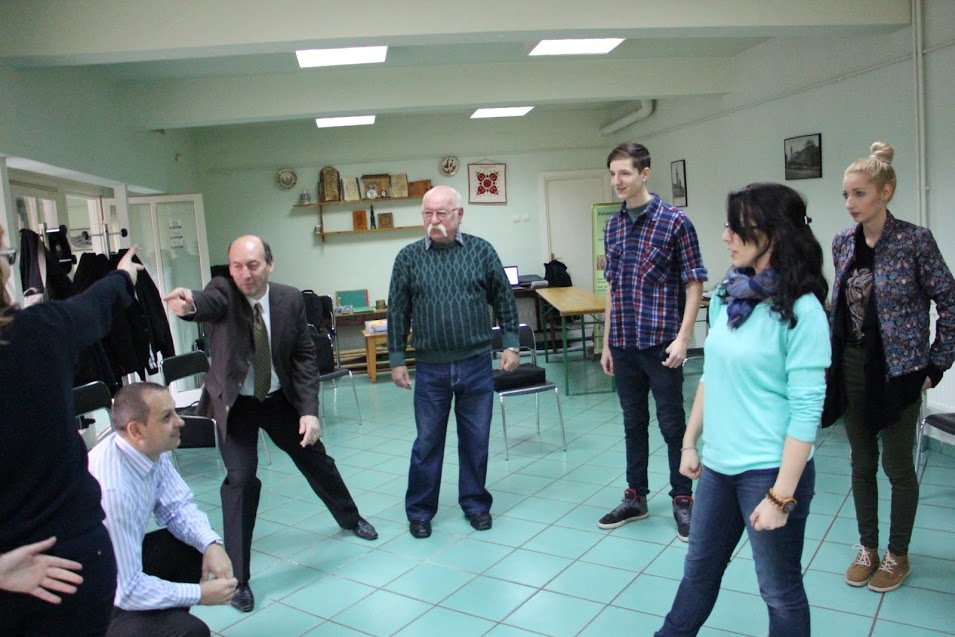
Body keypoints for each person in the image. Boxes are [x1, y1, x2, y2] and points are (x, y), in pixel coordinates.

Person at [164, 235, 377, 613]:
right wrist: (190, 304)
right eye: (237, 266)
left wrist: (309, 410)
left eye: (253, 265)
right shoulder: (224, 292)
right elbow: (207, 302)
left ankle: (350, 517)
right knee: (241, 480)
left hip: (278, 399)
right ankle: (238, 579)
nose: (244, 274)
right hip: (237, 405)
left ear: (270, 264)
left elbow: (303, 356)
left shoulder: (289, 299)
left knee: (315, 459)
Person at [655, 183, 831, 637]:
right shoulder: (728, 297)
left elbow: (807, 412)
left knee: (779, 591)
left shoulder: (803, 311)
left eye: (737, 227)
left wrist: (780, 497)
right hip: (718, 466)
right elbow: (712, 377)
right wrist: (690, 442)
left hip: (770, 472)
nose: (725, 236)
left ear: (774, 233)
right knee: (697, 575)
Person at [825, 142, 955, 593]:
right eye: (846, 194)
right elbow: (840, 308)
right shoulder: (843, 241)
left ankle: (898, 554)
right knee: (861, 462)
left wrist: (937, 363)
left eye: (859, 193)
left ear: (886, 192)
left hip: (900, 371)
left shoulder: (915, 241)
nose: (850, 203)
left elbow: (950, 300)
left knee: (898, 466)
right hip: (852, 366)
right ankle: (868, 548)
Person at [0, 231, 143, 636]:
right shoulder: (39, 330)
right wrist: (123, 276)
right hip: (69, 565)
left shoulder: (40, 327)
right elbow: (95, 305)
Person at [387, 185, 520, 539]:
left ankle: (475, 504)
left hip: (476, 364)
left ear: (459, 215)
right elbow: (397, 311)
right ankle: (420, 511)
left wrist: (511, 344)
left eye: (441, 213)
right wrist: (397, 359)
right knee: (427, 443)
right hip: (430, 368)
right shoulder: (408, 258)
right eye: (427, 213)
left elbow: (504, 300)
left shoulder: (481, 251)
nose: (434, 220)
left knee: (476, 439)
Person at [599, 142, 708, 541]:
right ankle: (636, 496)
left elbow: (694, 282)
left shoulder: (675, 222)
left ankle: (683, 498)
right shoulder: (613, 225)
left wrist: (683, 338)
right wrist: (607, 342)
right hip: (624, 342)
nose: (617, 181)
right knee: (633, 422)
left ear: (644, 173)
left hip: (662, 343)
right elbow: (612, 288)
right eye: (613, 174)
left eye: (625, 173)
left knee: (672, 423)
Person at [88, 383, 237, 637]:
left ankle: (159, 620)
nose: (180, 421)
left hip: (114, 571)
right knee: (191, 632)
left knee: (191, 546)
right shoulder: (113, 489)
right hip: (93, 603)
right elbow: (128, 590)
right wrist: (199, 594)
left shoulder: (146, 450)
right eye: (167, 417)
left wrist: (211, 544)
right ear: (136, 430)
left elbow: (178, 507)